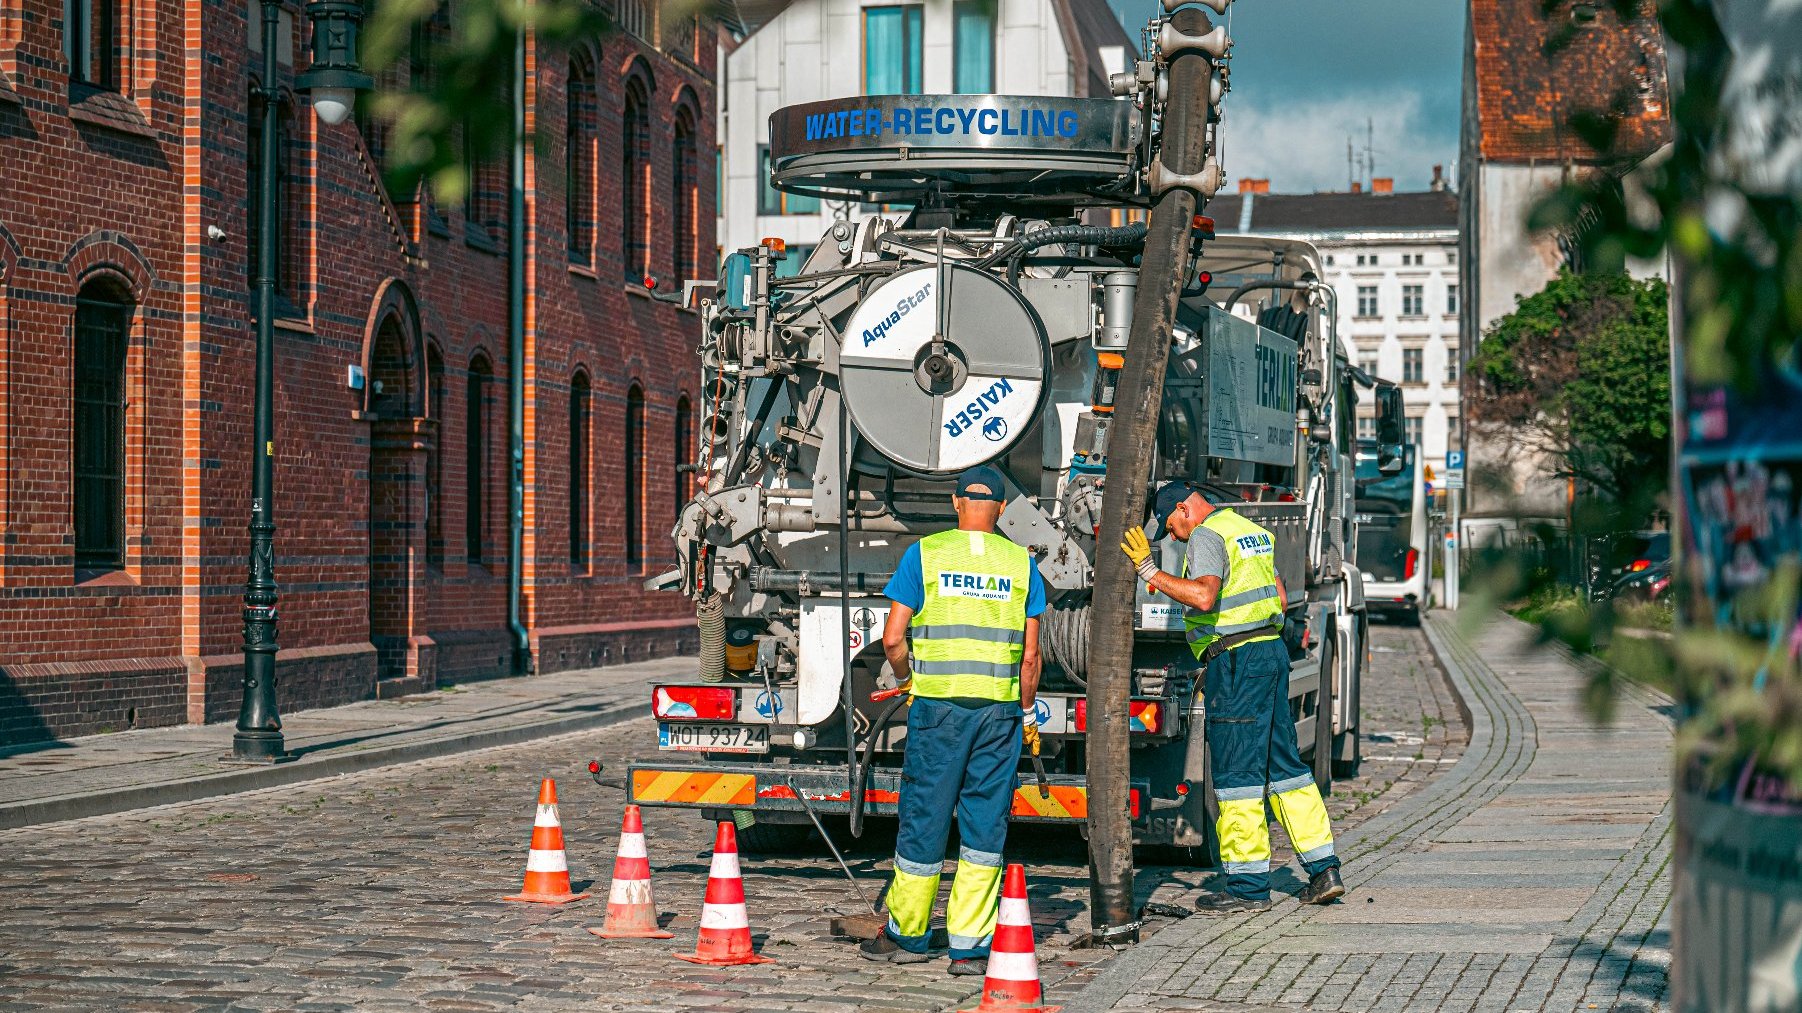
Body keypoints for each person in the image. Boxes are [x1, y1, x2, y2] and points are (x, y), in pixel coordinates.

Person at [1121, 481, 1345, 913]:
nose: (1175, 537)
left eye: (1172, 527)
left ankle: (1247, 887)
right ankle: (1324, 870)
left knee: (1238, 775)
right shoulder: (1248, 529)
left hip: (1237, 663)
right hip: (1270, 654)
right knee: (1285, 768)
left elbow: (1204, 596)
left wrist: (1151, 573)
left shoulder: (1206, 534)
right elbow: (1278, 595)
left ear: (1185, 509)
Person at [860, 464, 1047, 975]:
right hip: (999, 714)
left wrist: (907, 682)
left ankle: (907, 934)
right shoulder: (1022, 564)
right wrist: (1027, 713)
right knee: (984, 824)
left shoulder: (925, 555)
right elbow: (1030, 659)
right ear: (1004, 510)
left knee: (925, 816)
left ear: (955, 502)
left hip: (938, 710)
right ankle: (969, 945)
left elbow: (894, 638)